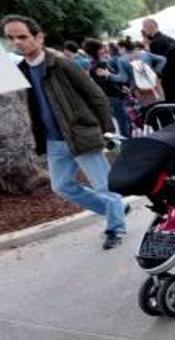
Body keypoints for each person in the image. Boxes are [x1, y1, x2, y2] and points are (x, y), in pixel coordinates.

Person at [4, 15, 127, 249]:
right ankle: (116, 208)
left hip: (80, 134)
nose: (17, 42)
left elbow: (96, 95)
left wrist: (107, 130)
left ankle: (115, 228)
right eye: (11, 38)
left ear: (39, 37)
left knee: (103, 186)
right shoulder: (21, 68)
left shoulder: (60, 64)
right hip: (53, 141)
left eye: (22, 36)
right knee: (61, 187)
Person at [82, 39, 132, 139]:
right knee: (122, 121)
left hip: (107, 96)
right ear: (96, 50)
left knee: (119, 121)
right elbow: (109, 83)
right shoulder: (101, 64)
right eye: (101, 48)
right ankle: (127, 142)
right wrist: (122, 91)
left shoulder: (93, 64)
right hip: (114, 95)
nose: (104, 49)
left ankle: (121, 143)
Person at [142, 18, 175, 104]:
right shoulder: (171, 39)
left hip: (169, 78)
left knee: (174, 103)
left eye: (144, 27)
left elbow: (159, 64)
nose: (144, 30)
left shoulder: (155, 43)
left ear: (149, 27)